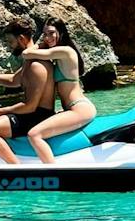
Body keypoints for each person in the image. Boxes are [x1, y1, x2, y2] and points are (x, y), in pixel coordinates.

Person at [0, 17, 56, 165]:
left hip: (38, 116)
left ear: (21, 39)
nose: (10, 46)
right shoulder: (30, 61)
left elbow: (30, 106)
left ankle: (16, 168)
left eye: (11, 42)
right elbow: (13, 80)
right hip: (31, 114)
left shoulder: (37, 65)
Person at [17, 19, 97, 164]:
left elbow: (27, 54)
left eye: (51, 33)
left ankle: (53, 172)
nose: (48, 38)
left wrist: (40, 44)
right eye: (45, 35)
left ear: (61, 32)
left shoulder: (65, 51)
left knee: (34, 134)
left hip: (79, 108)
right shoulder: (57, 55)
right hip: (71, 109)